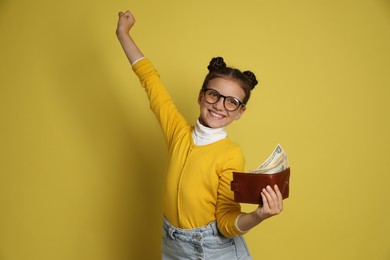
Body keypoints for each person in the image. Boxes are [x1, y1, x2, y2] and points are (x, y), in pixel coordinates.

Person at [116, 10, 284, 260]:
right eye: (214, 95)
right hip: (172, 243)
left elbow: (226, 221)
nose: (219, 105)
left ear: (240, 112)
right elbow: (151, 82)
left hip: (212, 249)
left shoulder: (230, 154)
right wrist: (123, 34)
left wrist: (258, 215)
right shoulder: (177, 132)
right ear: (201, 95)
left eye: (232, 102)